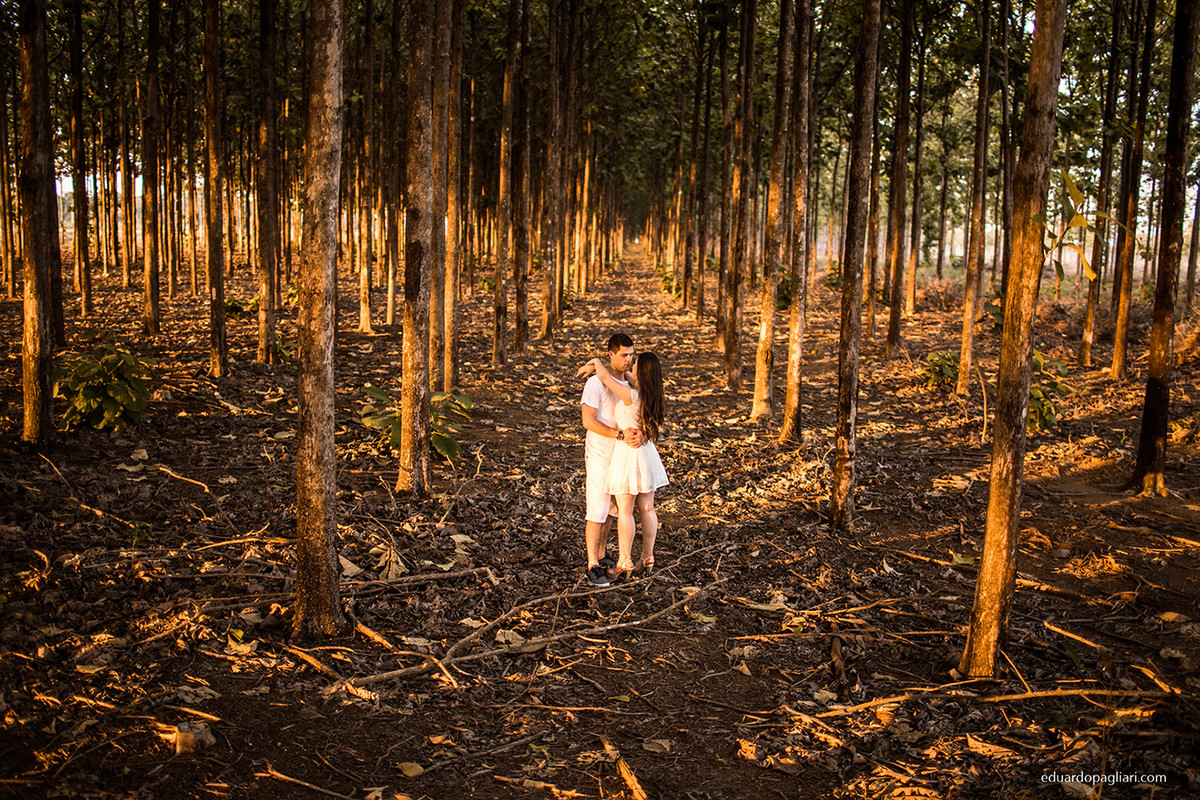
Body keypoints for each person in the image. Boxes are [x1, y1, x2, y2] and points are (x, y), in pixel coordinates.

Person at [579, 351, 668, 580]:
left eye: (635, 362)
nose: (631, 363)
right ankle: (647, 556)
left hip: (629, 453)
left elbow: (607, 379)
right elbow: (626, 376)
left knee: (626, 510)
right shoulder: (651, 392)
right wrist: (625, 371)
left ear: (641, 371)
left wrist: (597, 361)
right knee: (647, 508)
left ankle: (624, 561)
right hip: (647, 453)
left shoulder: (630, 395)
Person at [577, 334, 644, 587]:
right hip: (600, 452)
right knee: (596, 509)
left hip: (623, 453)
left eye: (631, 355)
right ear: (611, 355)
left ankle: (603, 555)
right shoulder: (595, 384)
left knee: (612, 510)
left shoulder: (629, 382)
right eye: (624, 355)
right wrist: (618, 434)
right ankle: (592, 564)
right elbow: (588, 421)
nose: (629, 360)